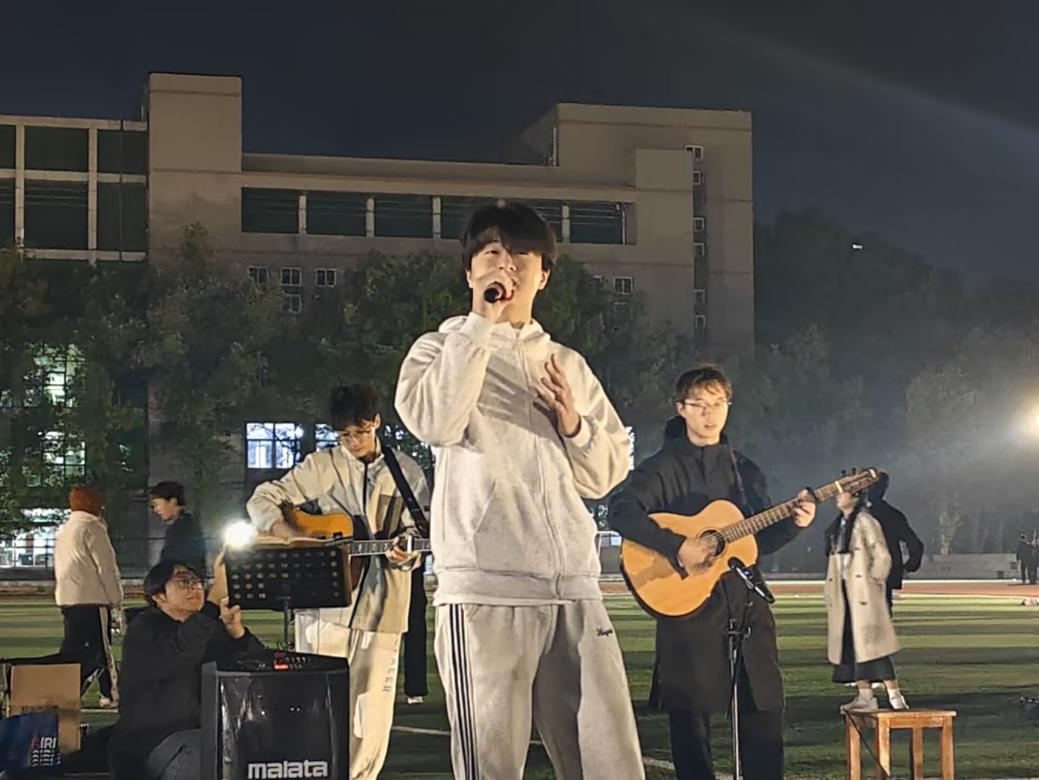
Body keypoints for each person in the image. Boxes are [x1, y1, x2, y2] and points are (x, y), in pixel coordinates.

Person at [395, 201, 645, 780]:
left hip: (574, 588)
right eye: (491, 252)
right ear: (470, 272)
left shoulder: (566, 364)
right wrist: (479, 327)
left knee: (611, 765)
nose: (506, 264)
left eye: (521, 254)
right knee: (491, 765)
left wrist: (574, 425)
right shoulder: (436, 350)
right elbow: (435, 422)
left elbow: (606, 473)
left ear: (544, 274)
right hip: (486, 590)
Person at [608, 365, 816, 780]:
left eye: (718, 404)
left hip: (745, 604)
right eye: (700, 405)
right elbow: (622, 511)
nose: (710, 414)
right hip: (689, 611)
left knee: (764, 711)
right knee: (691, 723)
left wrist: (796, 524)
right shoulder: (661, 467)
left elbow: (755, 544)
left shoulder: (744, 471)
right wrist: (677, 546)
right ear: (681, 409)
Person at [246, 383, 430, 780]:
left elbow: (420, 531)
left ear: (376, 422)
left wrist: (408, 552)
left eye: (360, 431)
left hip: (384, 607)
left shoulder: (406, 472)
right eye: (344, 434)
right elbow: (262, 499)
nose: (353, 442)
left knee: (372, 708)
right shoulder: (322, 465)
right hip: (323, 605)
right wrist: (289, 535)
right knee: (315, 702)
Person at [108, 559, 263, 779]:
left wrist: (237, 632)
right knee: (203, 758)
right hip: (154, 741)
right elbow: (180, 652)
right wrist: (212, 604)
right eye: (183, 581)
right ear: (158, 595)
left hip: (208, 737)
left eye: (197, 581)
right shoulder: (144, 629)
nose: (194, 587)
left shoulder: (209, 631)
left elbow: (260, 669)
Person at [824, 486, 908, 712]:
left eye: (842, 493)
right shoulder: (840, 524)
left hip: (863, 592)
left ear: (854, 496)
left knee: (874, 646)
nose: (837, 497)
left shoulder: (865, 521)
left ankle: (895, 696)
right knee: (853, 646)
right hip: (845, 591)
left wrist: (874, 581)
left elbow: (882, 555)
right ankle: (865, 695)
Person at [53, 485, 123, 708]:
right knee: (102, 649)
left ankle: (64, 691)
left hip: (68, 598)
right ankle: (109, 693)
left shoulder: (65, 530)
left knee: (71, 650)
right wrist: (116, 598)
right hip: (92, 599)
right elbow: (106, 568)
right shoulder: (93, 529)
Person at [866, 472, 923, 609]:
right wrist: (907, 567)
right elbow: (915, 545)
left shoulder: (861, 516)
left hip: (865, 571)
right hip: (887, 572)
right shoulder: (894, 515)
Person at [149, 481, 207, 577]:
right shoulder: (181, 525)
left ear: (173, 502)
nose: (156, 510)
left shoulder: (184, 528)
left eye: (157, 504)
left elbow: (176, 562)